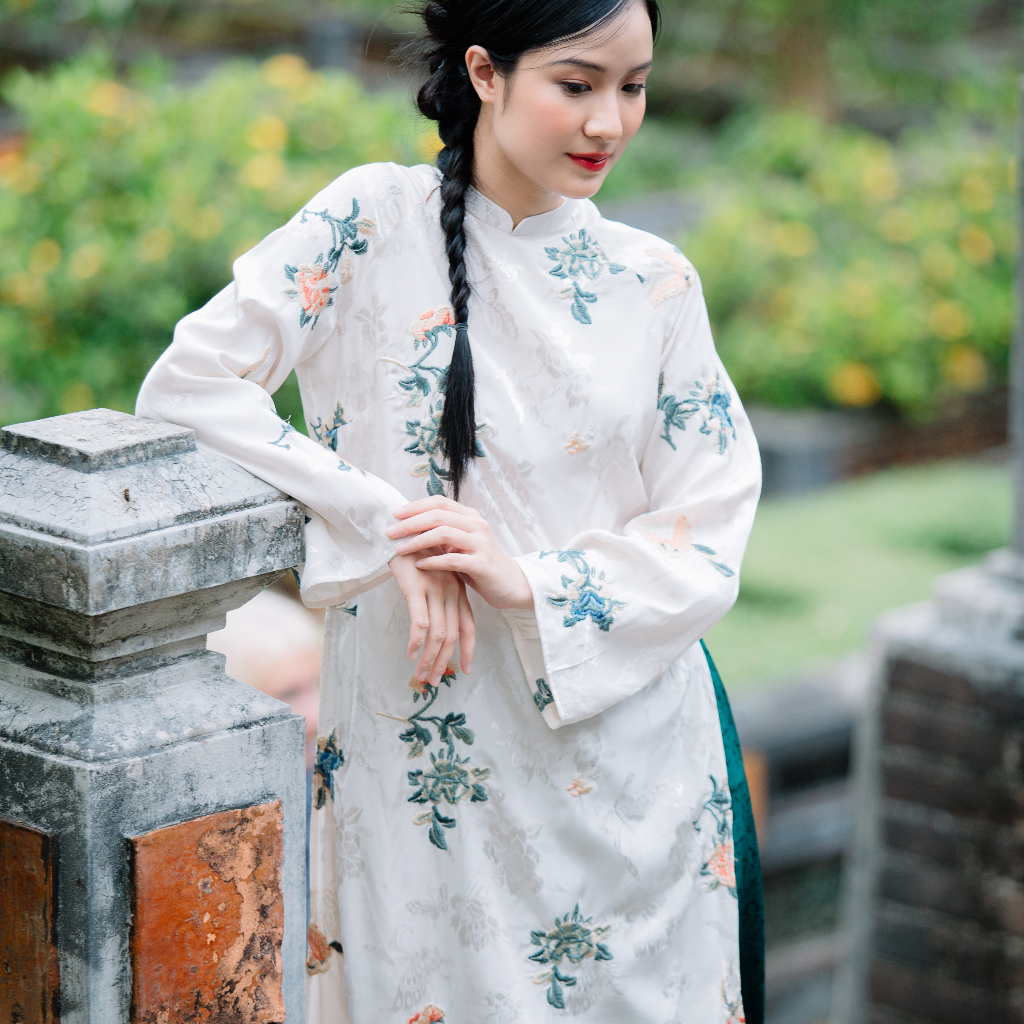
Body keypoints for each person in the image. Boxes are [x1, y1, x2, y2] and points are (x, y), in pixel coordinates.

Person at [136, 0, 764, 1020]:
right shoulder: (368, 221)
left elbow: (711, 515)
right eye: (577, 84)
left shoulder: (655, 281)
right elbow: (188, 389)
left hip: (622, 761)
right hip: (419, 738)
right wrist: (395, 524)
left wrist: (528, 579)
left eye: (634, 87)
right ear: (484, 71)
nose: (609, 122)